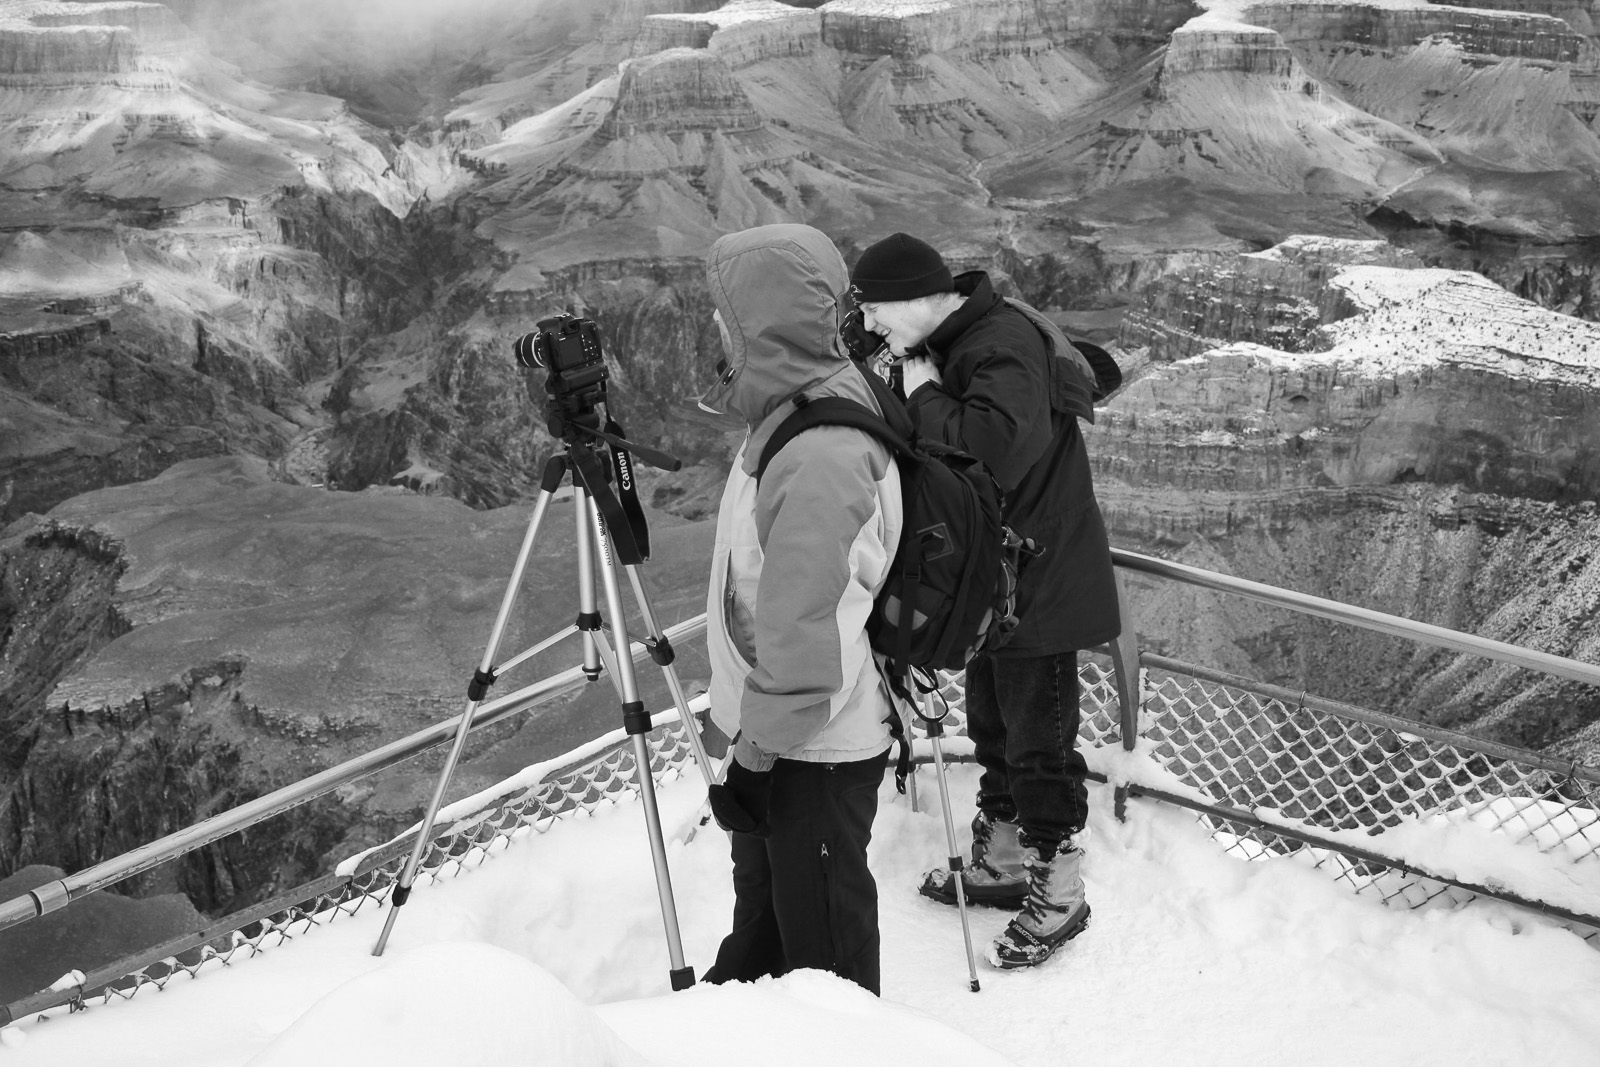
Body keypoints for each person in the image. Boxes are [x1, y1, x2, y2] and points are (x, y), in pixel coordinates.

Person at [850, 231, 1121, 970]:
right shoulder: (961, 338)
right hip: (1000, 578)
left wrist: (922, 390)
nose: (873, 327)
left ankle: (1060, 890)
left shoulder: (996, 343)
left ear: (914, 298)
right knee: (995, 723)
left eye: (877, 312)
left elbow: (991, 450)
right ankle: (1002, 862)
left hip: (1042, 581)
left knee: (1040, 742)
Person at [697, 223, 904, 995]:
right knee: (766, 937)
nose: (717, 332)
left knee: (826, 975)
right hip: (784, 743)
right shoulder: (797, 408)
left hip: (807, 754)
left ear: (768, 323)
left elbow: (808, 637)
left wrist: (752, 760)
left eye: (728, 318)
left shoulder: (820, 454)